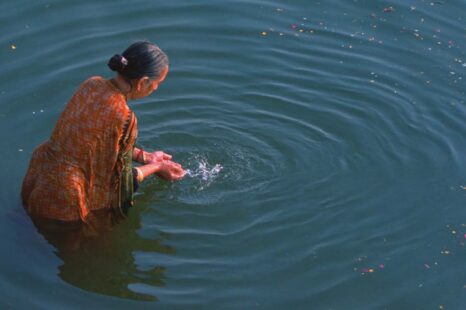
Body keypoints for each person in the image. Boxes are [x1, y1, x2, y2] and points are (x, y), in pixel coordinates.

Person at [21, 41, 185, 228]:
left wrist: (146, 157)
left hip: (40, 174)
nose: (156, 89)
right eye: (157, 84)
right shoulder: (125, 116)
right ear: (142, 83)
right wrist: (158, 167)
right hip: (67, 195)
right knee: (73, 249)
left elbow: (96, 142)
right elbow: (122, 181)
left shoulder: (92, 84)